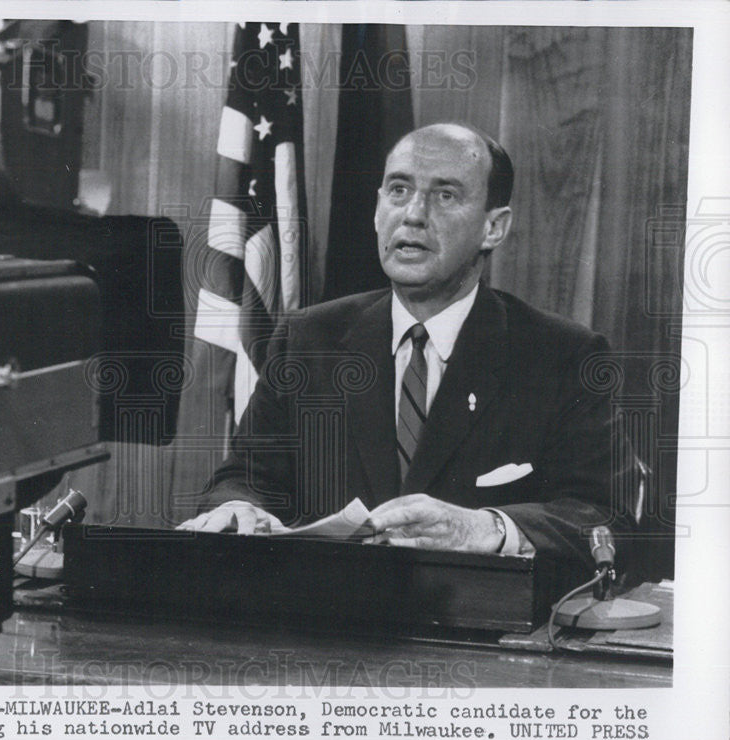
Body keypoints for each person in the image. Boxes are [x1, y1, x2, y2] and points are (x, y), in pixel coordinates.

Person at [178, 122, 634, 582]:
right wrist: (238, 509)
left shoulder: (561, 356)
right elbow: (243, 479)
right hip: (322, 624)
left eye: (445, 196)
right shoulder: (307, 340)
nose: (413, 215)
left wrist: (488, 528)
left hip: (479, 633)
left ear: (493, 228)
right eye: (399, 190)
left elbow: (607, 521)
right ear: (378, 210)